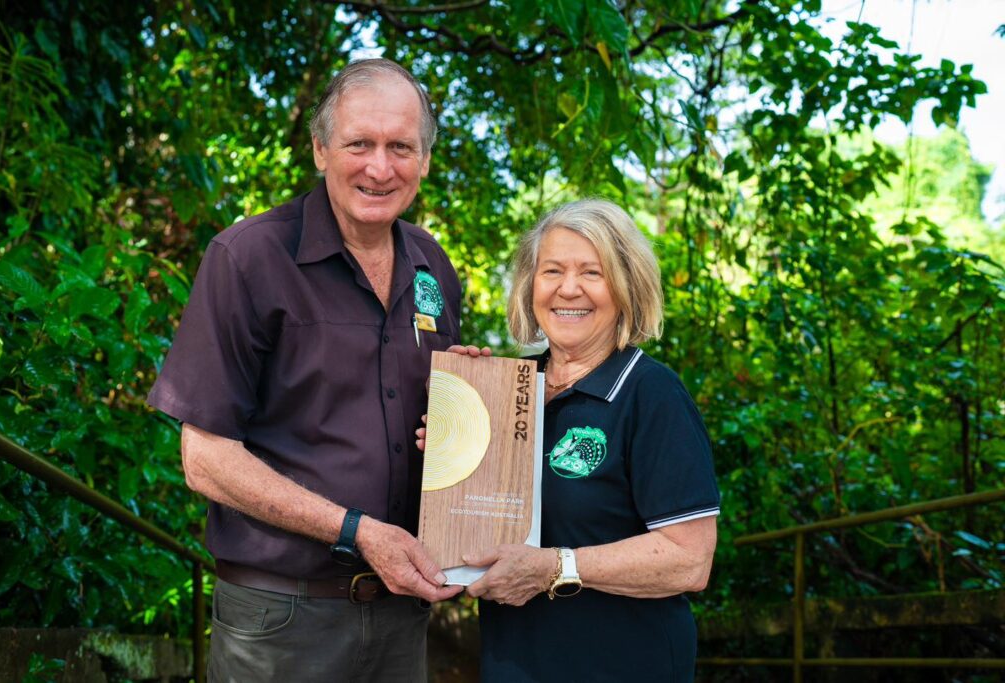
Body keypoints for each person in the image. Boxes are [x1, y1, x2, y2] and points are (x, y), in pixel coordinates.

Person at [147, 58, 462, 682]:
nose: (380, 167)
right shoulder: (247, 258)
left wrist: (470, 407)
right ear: (320, 149)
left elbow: (438, 431)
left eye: (401, 146)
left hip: (403, 617)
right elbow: (205, 459)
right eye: (359, 144)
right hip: (280, 621)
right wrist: (357, 532)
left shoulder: (433, 267)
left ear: (424, 161)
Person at [438, 199, 720, 682]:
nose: (569, 289)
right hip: (515, 662)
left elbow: (689, 560)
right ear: (531, 286)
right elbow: (474, 527)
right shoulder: (508, 393)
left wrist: (556, 567)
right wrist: (454, 426)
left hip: (620, 664)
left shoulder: (651, 394)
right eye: (552, 271)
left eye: (593, 272)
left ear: (626, 285)